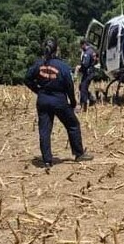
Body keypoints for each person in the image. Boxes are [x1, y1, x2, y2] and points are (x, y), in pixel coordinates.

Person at [25, 38, 94, 168]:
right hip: (59, 101)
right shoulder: (62, 66)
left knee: (44, 130)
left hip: (43, 100)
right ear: (57, 50)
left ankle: (47, 160)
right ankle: (79, 154)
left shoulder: (38, 64)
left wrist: (38, 90)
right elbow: (69, 86)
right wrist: (73, 102)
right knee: (73, 125)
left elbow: (27, 79)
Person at [77, 38, 97, 111]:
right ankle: (91, 99)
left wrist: (79, 68)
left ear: (84, 44)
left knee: (83, 88)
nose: (81, 48)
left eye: (81, 46)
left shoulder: (87, 53)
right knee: (81, 86)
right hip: (91, 72)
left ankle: (84, 106)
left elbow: (85, 64)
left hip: (88, 73)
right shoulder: (92, 51)